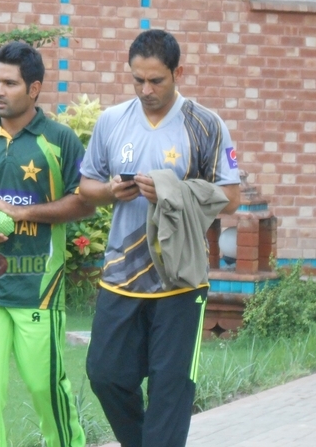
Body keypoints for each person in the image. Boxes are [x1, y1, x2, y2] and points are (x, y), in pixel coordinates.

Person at [78, 29, 241, 447]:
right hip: (121, 276)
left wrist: (172, 190)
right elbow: (86, 187)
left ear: (178, 72)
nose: (146, 90)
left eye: (156, 80)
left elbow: (232, 197)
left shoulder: (205, 124)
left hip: (180, 280)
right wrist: (112, 191)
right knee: (105, 374)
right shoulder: (112, 121)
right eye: (138, 80)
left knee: (170, 393)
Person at [0, 40, 93, 447]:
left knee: (46, 389)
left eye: (9, 83)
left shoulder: (60, 141)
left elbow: (83, 204)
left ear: (34, 89)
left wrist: (20, 214)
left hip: (37, 288)